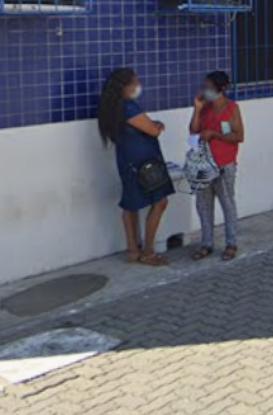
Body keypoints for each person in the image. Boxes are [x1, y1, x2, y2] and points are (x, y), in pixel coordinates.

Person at [97, 68, 174, 267]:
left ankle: (133, 250)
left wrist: (151, 125)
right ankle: (148, 251)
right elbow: (152, 130)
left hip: (127, 162)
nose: (138, 86)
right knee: (160, 201)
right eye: (135, 82)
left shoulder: (113, 107)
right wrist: (157, 126)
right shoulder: (128, 107)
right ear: (125, 87)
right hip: (143, 164)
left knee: (131, 204)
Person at [189, 71, 245, 261]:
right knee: (203, 205)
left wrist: (215, 134)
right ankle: (206, 243)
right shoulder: (204, 107)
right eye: (205, 87)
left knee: (227, 203)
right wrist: (197, 109)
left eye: (209, 87)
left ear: (221, 88)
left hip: (224, 163)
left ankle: (231, 243)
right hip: (204, 164)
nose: (206, 90)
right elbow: (193, 130)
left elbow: (239, 136)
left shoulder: (232, 108)